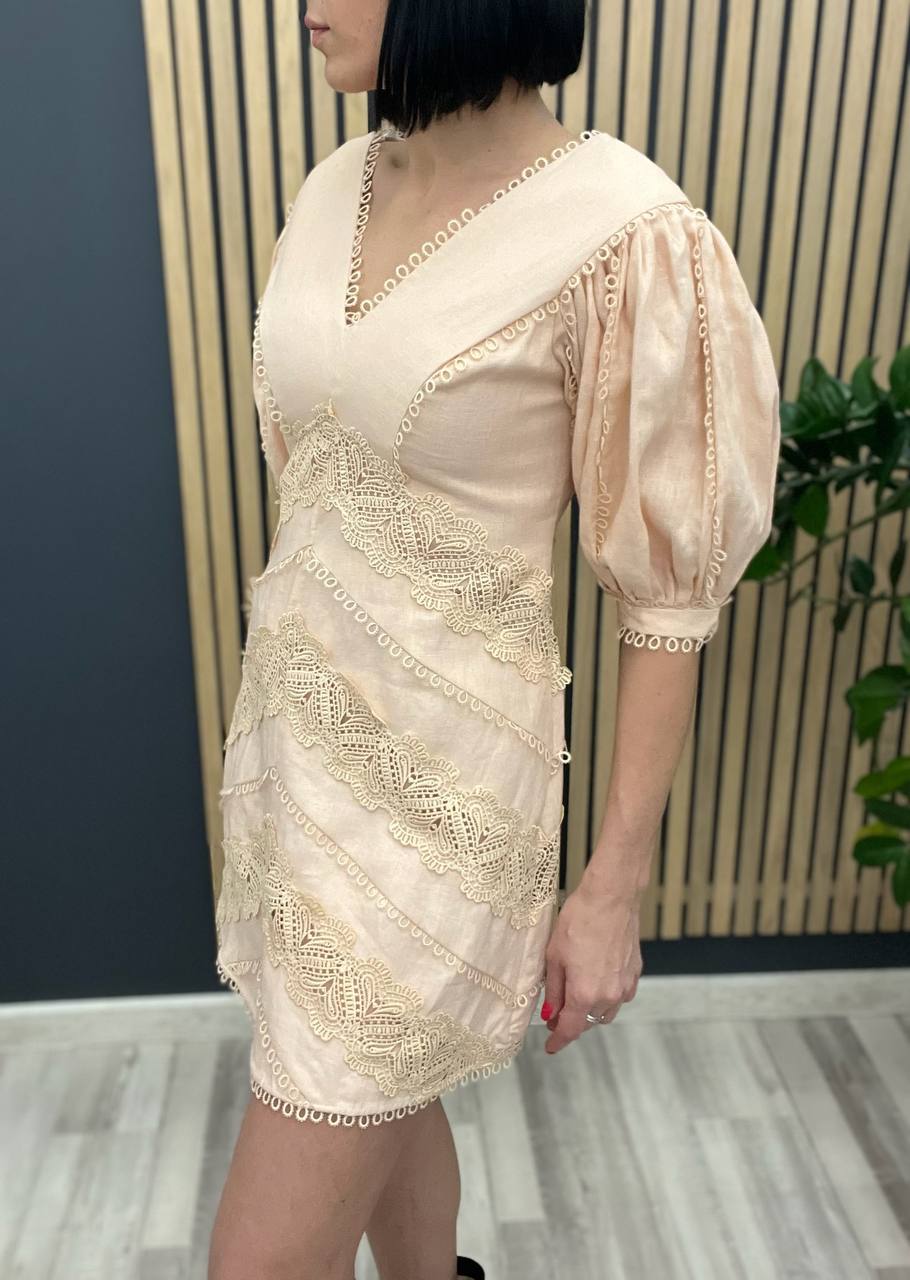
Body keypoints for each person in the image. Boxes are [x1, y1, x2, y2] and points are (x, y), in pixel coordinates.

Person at [207, 1, 781, 1277]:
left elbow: (668, 595)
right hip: (302, 756)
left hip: (443, 808)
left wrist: (612, 887)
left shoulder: (621, 232)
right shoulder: (335, 186)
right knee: (381, 1091)